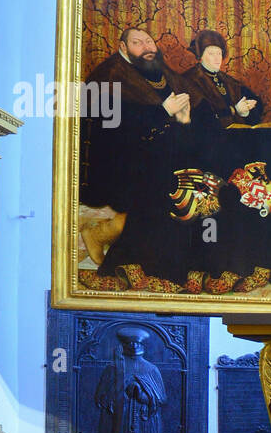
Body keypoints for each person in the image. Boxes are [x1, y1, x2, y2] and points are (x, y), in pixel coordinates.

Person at [81, 26, 222, 286]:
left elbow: (198, 105)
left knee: (203, 173)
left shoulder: (158, 70)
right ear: (122, 47)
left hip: (160, 150)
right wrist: (162, 113)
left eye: (149, 41)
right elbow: (113, 129)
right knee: (169, 181)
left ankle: (192, 261)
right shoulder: (108, 75)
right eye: (137, 42)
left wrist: (187, 119)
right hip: (117, 164)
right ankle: (149, 261)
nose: (146, 47)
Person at [182, 28, 265, 126]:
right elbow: (202, 117)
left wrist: (246, 112)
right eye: (211, 53)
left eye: (219, 53)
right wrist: (234, 110)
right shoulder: (189, 80)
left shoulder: (228, 80)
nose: (217, 58)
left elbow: (257, 103)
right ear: (201, 56)